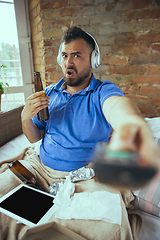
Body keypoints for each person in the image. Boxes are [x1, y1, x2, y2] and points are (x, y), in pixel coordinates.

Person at [21, 26, 159, 173]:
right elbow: (34, 138)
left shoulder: (102, 91)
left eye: (76, 55)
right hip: (39, 168)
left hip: (83, 176)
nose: (68, 63)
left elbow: (116, 106)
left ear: (94, 60)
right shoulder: (48, 93)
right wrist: (25, 118)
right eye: (64, 55)